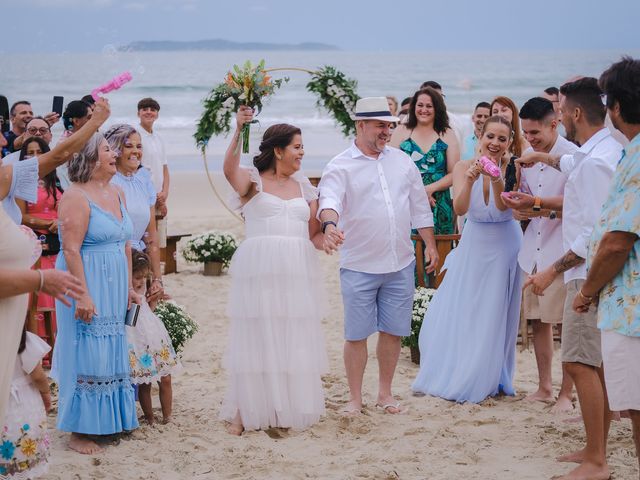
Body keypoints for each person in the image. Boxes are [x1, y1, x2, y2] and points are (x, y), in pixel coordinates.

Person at [517, 77, 622, 480]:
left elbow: (595, 232)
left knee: (578, 363)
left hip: (586, 272)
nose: (559, 120)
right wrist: (541, 160)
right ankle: (594, 447)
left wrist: (551, 270)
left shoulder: (596, 160)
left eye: (561, 113)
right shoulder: (603, 151)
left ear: (575, 114)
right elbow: (573, 163)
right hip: (593, 271)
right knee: (594, 364)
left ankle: (597, 461)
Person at [319, 97, 438, 415]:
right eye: (380, 125)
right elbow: (328, 199)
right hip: (359, 265)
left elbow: (419, 206)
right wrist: (330, 224)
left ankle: (385, 393)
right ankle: (355, 398)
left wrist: (430, 244)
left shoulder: (402, 161)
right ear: (361, 125)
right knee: (356, 335)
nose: (387, 131)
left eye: (389, 125)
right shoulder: (340, 165)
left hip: (400, 262)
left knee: (394, 331)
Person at [0, 100, 111, 423]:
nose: (6, 140)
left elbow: (59, 155)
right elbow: (59, 155)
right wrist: (41, 281)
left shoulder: (5, 171)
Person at [220, 106, 328, 435]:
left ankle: (283, 408)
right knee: (256, 337)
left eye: (302, 146)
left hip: (296, 272)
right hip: (261, 271)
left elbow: (314, 234)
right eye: (297, 146)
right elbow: (227, 170)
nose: (302, 152)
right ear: (278, 150)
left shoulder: (305, 189)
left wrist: (332, 234)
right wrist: (239, 128)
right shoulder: (253, 183)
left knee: (290, 337)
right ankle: (243, 411)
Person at [412, 115, 522, 403]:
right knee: (468, 308)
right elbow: (460, 209)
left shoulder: (513, 167)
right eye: (490, 137)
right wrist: (471, 180)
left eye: (502, 138)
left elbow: (502, 207)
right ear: (480, 137)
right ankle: (464, 368)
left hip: (504, 243)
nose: (495, 143)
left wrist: (496, 178)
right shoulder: (461, 167)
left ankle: (491, 376)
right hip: (474, 243)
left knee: (495, 312)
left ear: (509, 142)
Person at [571, 56, 640, 480]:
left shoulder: (634, 158)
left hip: (632, 307)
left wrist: (586, 291)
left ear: (614, 107)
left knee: (636, 405)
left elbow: (618, 241)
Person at [53, 130, 140, 454]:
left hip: (116, 281)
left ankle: (111, 421)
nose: (115, 154)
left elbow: (126, 245)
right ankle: (79, 430)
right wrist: (83, 295)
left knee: (112, 347)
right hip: (86, 279)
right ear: (90, 157)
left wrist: (130, 287)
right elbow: (71, 249)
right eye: (107, 150)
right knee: (85, 349)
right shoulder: (75, 196)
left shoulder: (117, 192)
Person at [502, 97, 577, 412]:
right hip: (530, 250)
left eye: (535, 133)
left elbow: (574, 205)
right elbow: (532, 206)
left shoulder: (574, 156)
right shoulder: (527, 158)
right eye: (526, 133)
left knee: (565, 325)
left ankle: (566, 394)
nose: (530, 140)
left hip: (561, 252)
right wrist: (521, 206)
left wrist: (535, 206)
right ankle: (545, 386)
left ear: (554, 124)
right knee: (538, 323)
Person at [390, 87, 460, 235]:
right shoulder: (401, 131)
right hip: (406, 202)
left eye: (429, 106)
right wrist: (417, 193)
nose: (424, 110)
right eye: (420, 105)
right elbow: (391, 170)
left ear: (437, 108)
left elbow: (454, 173)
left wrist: (428, 189)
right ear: (414, 106)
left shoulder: (447, 133)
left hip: (439, 202)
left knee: (440, 252)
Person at [105, 123, 164, 298]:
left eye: (139, 146)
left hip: (140, 263)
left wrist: (157, 279)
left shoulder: (143, 180)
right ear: (116, 149)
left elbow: (152, 237)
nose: (136, 151)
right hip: (115, 263)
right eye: (128, 146)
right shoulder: (109, 182)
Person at [16, 137, 63, 352]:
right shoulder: (20, 183)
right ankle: (40, 350)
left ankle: (58, 349)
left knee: (57, 299)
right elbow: (20, 216)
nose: (35, 157)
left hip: (57, 243)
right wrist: (47, 223)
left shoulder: (57, 180)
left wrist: (60, 222)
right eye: (30, 152)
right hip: (34, 243)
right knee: (37, 300)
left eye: (39, 152)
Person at [127, 249, 180, 424]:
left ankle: (168, 416)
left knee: (166, 377)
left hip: (154, 333)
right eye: (137, 277)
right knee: (145, 381)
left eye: (144, 276)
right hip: (136, 336)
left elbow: (150, 309)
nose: (142, 281)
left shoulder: (145, 285)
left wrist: (156, 299)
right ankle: (149, 417)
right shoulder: (125, 292)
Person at [0, 327, 52, 479]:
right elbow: (37, 376)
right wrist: (46, 393)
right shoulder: (22, 339)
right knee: (22, 436)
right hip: (22, 403)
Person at [137, 98, 170, 250]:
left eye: (153, 109)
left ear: (157, 114)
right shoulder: (134, 136)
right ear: (138, 113)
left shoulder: (159, 138)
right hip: (141, 197)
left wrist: (164, 193)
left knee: (157, 242)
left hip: (159, 197)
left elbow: (164, 168)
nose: (149, 112)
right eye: (145, 109)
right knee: (143, 241)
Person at [57, 100, 93, 190]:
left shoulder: (86, 139)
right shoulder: (67, 144)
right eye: (89, 117)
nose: (94, 121)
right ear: (76, 121)